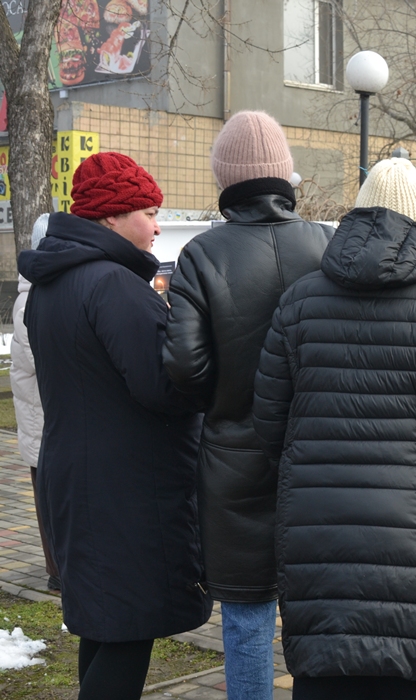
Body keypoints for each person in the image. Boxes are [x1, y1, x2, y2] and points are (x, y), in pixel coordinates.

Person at [252, 157, 416, 699]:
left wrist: (302, 477)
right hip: (413, 530)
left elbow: (268, 423)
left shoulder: (299, 301)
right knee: (404, 672)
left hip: (316, 525)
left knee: (322, 672)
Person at [18, 152, 211, 699]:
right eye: (148, 211)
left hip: (79, 478)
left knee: (104, 626)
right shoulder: (114, 285)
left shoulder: (56, 284)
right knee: (128, 632)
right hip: (126, 491)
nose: (156, 225)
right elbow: (166, 386)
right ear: (110, 216)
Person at [162, 111, 334, 700]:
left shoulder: (202, 254)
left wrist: (223, 401)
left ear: (225, 179)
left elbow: (184, 365)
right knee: (322, 609)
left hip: (232, 459)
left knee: (246, 615)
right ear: (285, 175)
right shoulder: (327, 245)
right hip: (318, 457)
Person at [10, 213, 61, 595]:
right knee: (51, 500)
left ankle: (60, 567)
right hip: (43, 422)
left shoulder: (39, 294)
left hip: (46, 420)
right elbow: (43, 365)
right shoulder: (32, 299)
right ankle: (58, 571)